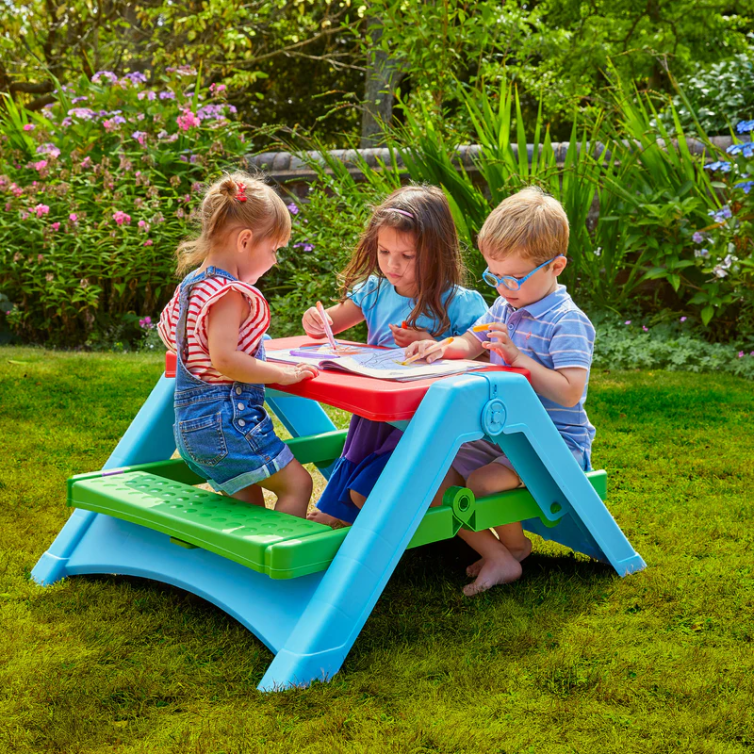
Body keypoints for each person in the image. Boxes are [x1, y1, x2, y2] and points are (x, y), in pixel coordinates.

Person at [405, 186, 596, 596]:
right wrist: (439, 346)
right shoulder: (504, 306)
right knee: (431, 464)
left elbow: (569, 394)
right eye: (495, 276)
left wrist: (520, 360)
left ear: (555, 266)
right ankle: (498, 551)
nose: (504, 287)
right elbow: (470, 344)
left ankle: (513, 546)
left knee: (483, 482)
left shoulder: (567, 322)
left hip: (553, 441)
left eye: (514, 278)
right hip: (502, 434)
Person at [302, 185, 488, 526]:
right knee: (357, 448)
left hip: (425, 418)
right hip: (376, 409)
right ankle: (340, 511)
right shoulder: (374, 290)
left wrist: (431, 343)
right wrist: (316, 320)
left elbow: (484, 360)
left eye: (407, 256)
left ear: (437, 252)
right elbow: (329, 322)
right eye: (384, 251)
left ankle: (358, 509)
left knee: (381, 465)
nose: (392, 265)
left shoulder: (461, 303)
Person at [158, 172, 318, 518]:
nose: (275, 261)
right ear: (245, 241)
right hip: (225, 426)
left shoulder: (192, 286)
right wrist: (282, 374)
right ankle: (281, 561)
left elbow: (174, 338)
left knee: (247, 512)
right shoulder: (229, 294)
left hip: (191, 428)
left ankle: (242, 566)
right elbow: (226, 360)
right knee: (298, 484)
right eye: (273, 249)